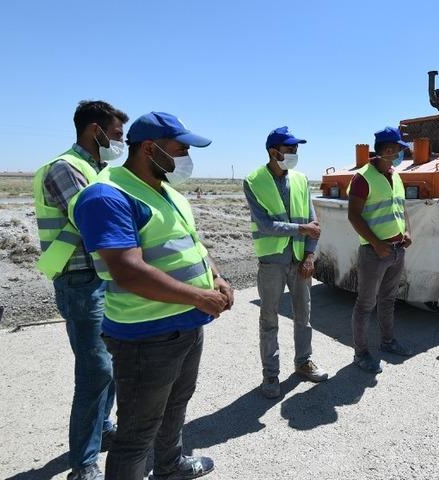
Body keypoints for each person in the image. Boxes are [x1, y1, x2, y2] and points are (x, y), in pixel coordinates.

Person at [71, 112, 233, 479]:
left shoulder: (167, 192)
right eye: (181, 149)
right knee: (136, 433)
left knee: (175, 406)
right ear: (149, 148)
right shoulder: (107, 195)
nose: (186, 158)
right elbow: (127, 271)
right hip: (146, 337)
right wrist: (199, 297)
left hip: (186, 326)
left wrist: (216, 276)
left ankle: (170, 466)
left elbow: (191, 243)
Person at [32, 100, 127, 480]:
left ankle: (103, 429)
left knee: (112, 362)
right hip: (80, 281)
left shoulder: (100, 171)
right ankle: (84, 465)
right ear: (94, 130)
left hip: (104, 275)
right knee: (94, 370)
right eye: (116, 135)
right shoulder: (64, 168)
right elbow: (97, 220)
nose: (121, 142)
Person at [244, 126, 328, 399]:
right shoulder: (253, 181)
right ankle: (271, 375)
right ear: (273, 152)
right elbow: (266, 225)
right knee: (269, 319)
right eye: (289, 149)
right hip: (272, 262)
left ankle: (304, 362)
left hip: (300, 259)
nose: (294, 153)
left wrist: (310, 255)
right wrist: (301, 229)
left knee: (304, 316)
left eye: (296, 149)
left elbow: (314, 224)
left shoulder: (301, 180)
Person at [347, 127, 414, 373]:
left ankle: (387, 342)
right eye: (398, 150)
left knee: (388, 300)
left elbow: (401, 207)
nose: (400, 154)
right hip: (374, 253)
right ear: (387, 150)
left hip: (396, 250)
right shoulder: (362, 178)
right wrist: (376, 243)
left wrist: (407, 231)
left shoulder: (395, 175)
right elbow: (354, 216)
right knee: (365, 304)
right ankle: (361, 353)